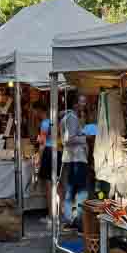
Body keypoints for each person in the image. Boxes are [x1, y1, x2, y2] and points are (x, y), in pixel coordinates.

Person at [61, 94, 88, 229]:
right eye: (82, 102)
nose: (84, 104)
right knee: (81, 191)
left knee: (72, 190)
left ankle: (70, 219)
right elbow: (69, 139)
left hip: (73, 158)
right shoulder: (71, 118)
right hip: (76, 158)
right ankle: (78, 221)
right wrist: (84, 137)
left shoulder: (70, 118)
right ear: (75, 104)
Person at [35, 102, 62, 223]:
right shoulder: (57, 122)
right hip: (59, 151)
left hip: (48, 152)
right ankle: (60, 213)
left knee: (49, 186)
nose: (34, 114)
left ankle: (51, 216)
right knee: (58, 184)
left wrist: (38, 159)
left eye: (35, 111)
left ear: (40, 111)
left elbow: (42, 144)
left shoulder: (44, 124)